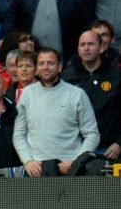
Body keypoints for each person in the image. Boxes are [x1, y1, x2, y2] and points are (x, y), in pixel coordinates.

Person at [13, 48, 100, 177]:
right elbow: (19, 134)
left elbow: (92, 134)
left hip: (71, 169)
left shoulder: (77, 94)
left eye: (50, 63)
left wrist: (77, 161)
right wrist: (28, 161)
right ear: (36, 68)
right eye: (41, 63)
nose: (45, 67)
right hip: (36, 170)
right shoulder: (26, 94)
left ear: (59, 67)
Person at [62, 31, 121, 161]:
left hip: (109, 149)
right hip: (75, 150)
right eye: (82, 44)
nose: (86, 48)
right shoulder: (66, 77)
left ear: (101, 48)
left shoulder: (116, 76)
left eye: (91, 44)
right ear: (78, 49)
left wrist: (119, 142)